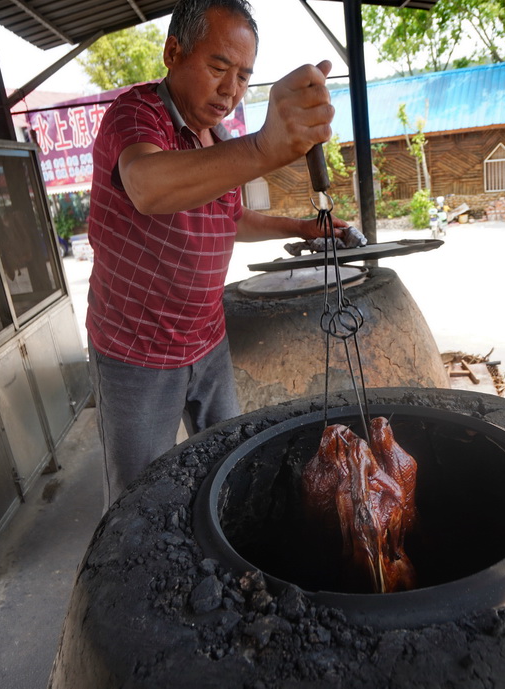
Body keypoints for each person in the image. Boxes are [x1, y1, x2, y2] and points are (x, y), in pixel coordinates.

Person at [86, 0, 346, 511]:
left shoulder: (217, 139)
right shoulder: (136, 117)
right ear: (173, 52)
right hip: (136, 351)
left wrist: (301, 227)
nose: (230, 90)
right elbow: (147, 187)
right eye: (218, 67)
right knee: (139, 495)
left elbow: (229, 220)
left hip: (206, 338)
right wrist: (264, 149)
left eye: (244, 77)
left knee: (232, 458)